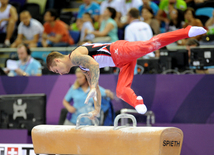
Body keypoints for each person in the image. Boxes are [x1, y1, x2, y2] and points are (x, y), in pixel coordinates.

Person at [46, 25, 207, 119]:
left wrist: (93, 84)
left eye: (55, 70)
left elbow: (94, 66)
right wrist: (96, 109)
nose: (59, 73)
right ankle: (137, 102)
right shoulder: (81, 66)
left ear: (58, 61)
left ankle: (186, 31)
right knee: (121, 91)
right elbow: (95, 89)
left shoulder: (75, 56)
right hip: (122, 62)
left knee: (150, 45)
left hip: (119, 50)